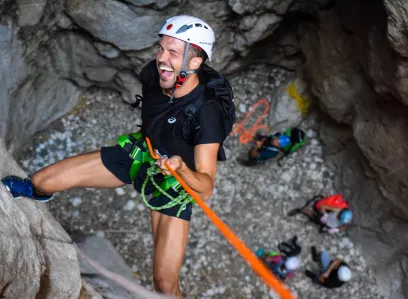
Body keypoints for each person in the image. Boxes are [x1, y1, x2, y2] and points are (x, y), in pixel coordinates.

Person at [2, 15, 233, 298]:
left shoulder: (207, 112)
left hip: (173, 183)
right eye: (161, 48)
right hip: (140, 154)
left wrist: (180, 168)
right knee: (41, 182)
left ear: (194, 63)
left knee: (164, 285)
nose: (161, 58)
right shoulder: (154, 74)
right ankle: (31, 192)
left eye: (172, 52)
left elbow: (206, 188)